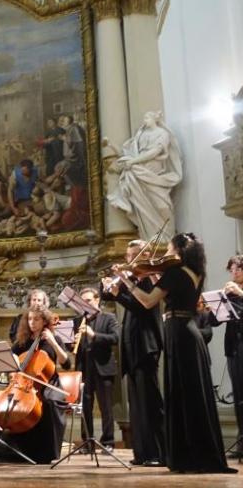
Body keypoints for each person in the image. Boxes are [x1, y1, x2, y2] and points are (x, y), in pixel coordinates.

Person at [117, 233, 236, 473]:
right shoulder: (194, 272)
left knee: (181, 393)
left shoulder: (174, 273)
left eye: (170, 249)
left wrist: (127, 282)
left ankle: (186, 455)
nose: (166, 254)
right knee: (194, 395)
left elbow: (149, 301)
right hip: (188, 331)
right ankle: (200, 453)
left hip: (178, 333)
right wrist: (155, 274)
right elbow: (175, 290)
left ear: (179, 251)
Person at [102, 240, 164, 466]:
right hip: (133, 349)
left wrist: (121, 291)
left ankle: (157, 453)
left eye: (133, 256)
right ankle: (143, 453)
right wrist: (109, 286)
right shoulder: (135, 281)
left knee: (150, 403)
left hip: (146, 346)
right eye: (128, 256)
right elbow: (106, 296)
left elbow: (141, 307)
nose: (129, 261)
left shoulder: (149, 280)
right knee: (137, 406)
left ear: (145, 255)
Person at [0, 307, 69, 464]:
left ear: (44, 321)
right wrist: (14, 360)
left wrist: (52, 341)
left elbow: (66, 362)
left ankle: (44, 454)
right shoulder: (23, 340)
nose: (32, 323)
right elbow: (11, 354)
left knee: (49, 405)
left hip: (49, 384)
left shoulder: (54, 339)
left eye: (36, 319)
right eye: (30, 319)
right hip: (24, 385)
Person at [107, 111, 182, 240]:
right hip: (139, 173)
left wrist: (133, 161)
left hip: (155, 175)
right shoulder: (140, 135)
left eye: (147, 117)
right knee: (142, 208)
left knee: (162, 205)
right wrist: (110, 145)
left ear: (154, 119)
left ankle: (168, 238)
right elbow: (127, 153)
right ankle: (151, 238)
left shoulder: (162, 134)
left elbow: (155, 152)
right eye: (144, 118)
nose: (144, 120)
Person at [74, 287, 119, 451]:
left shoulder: (109, 317)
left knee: (106, 407)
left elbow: (115, 338)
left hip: (103, 368)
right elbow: (74, 345)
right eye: (83, 302)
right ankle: (87, 442)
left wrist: (94, 335)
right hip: (85, 368)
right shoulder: (78, 320)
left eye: (89, 301)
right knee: (85, 407)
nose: (86, 304)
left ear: (97, 300)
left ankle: (108, 442)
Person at [210, 255, 243, 457]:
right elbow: (215, 322)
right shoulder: (230, 295)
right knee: (238, 397)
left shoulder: (238, 292)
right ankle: (241, 443)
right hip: (233, 347)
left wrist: (240, 292)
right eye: (231, 269)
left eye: (238, 268)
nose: (234, 272)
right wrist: (217, 303)